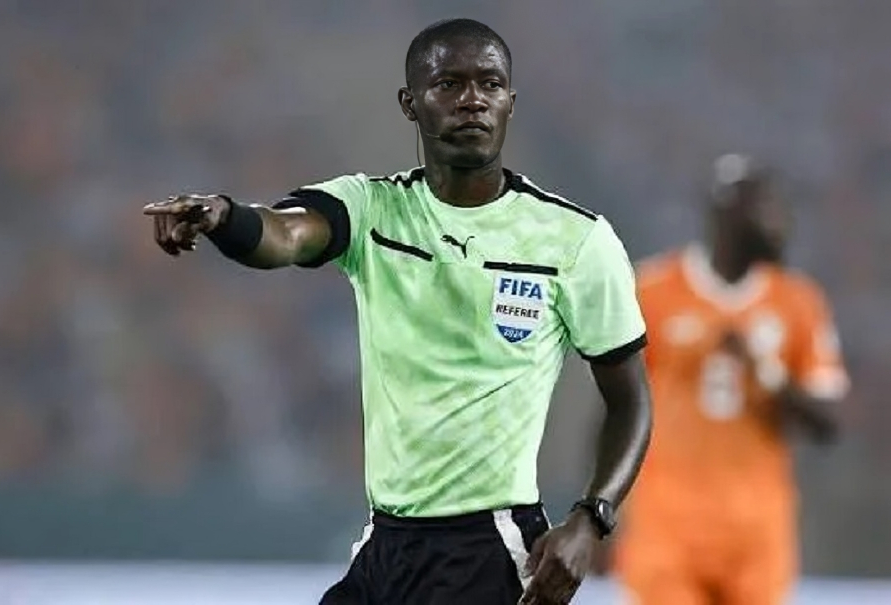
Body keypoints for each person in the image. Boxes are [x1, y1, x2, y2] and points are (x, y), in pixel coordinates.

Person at [144, 18, 652, 605]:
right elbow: (284, 235)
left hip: (491, 547)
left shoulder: (576, 240)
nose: (472, 100)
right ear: (410, 103)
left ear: (510, 103)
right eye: (449, 84)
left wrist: (591, 518)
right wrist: (225, 216)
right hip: (386, 545)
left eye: (490, 84)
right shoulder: (372, 210)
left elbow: (631, 399)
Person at [614, 154, 850, 605]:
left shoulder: (798, 302)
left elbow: (828, 421)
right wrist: (599, 512)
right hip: (667, 528)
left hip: (756, 533)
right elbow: (616, 409)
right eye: (768, 208)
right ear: (728, 213)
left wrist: (767, 373)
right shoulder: (653, 291)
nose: (781, 222)